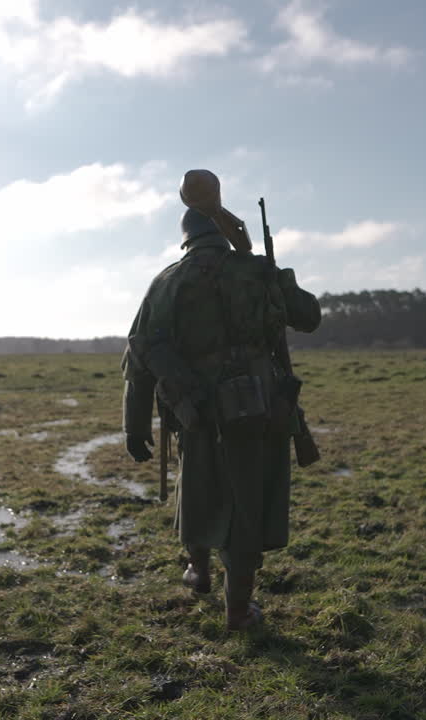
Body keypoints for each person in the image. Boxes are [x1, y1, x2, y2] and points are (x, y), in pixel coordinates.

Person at [121, 171, 321, 630]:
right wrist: (275, 273)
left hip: (197, 408)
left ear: (186, 238)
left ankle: (199, 569)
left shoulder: (167, 282)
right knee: (248, 500)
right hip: (262, 406)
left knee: (198, 485)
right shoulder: (257, 272)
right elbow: (309, 317)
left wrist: (135, 425)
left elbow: (139, 356)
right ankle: (237, 609)